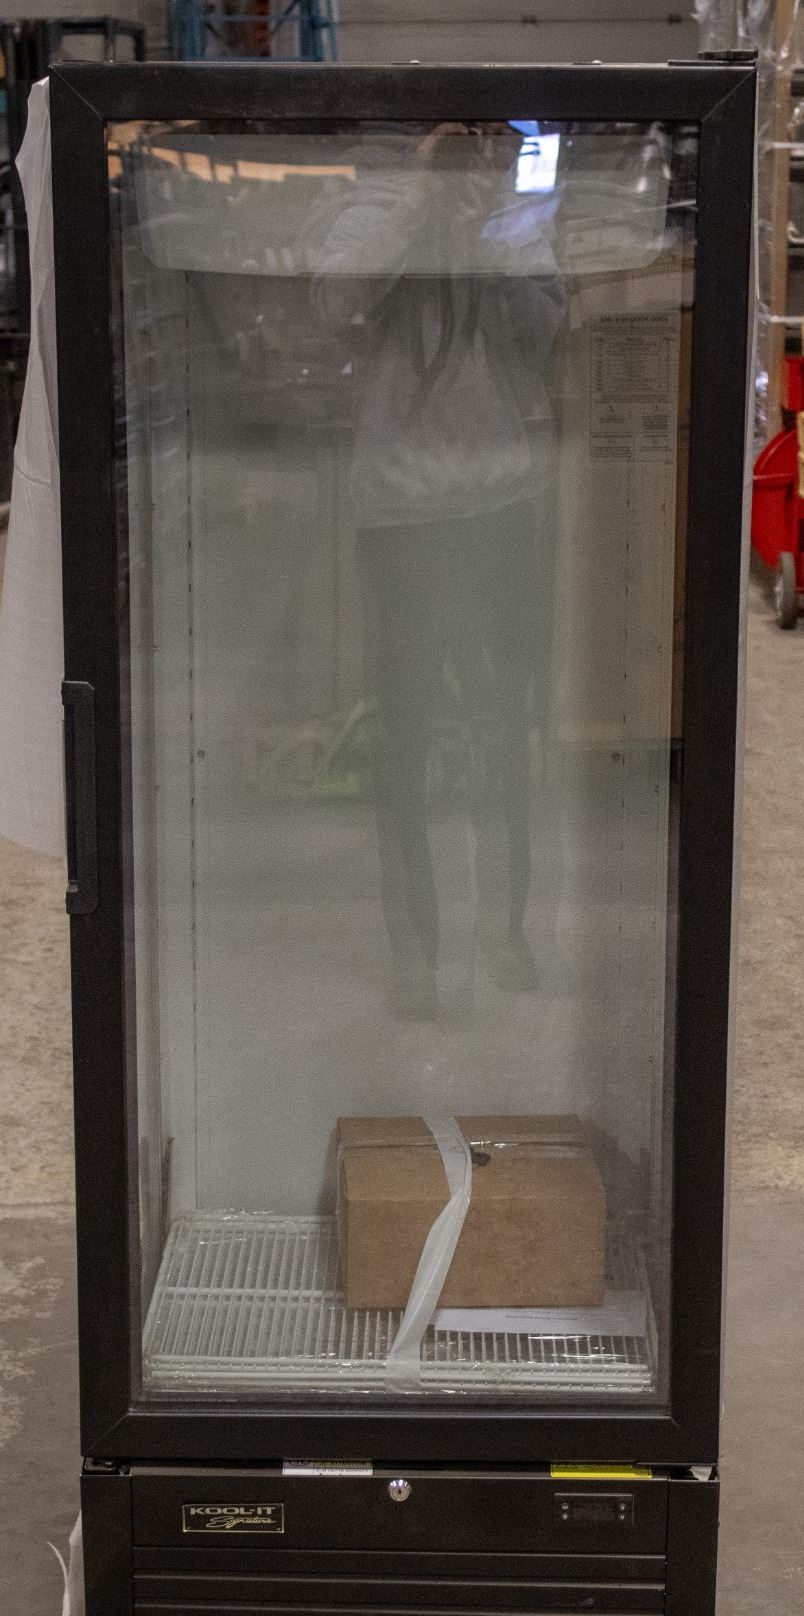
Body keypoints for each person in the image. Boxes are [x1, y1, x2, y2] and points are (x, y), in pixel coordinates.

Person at [310, 121, 565, 1016]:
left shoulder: (512, 218)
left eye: (484, 139)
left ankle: (504, 928)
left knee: (504, 727)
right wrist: (421, 196)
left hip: (497, 506)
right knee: (404, 738)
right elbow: (333, 304)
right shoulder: (375, 202)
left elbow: (544, 331)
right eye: (454, 138)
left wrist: (489, 224)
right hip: (402, 515)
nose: (470, 153)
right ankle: (416, 950)